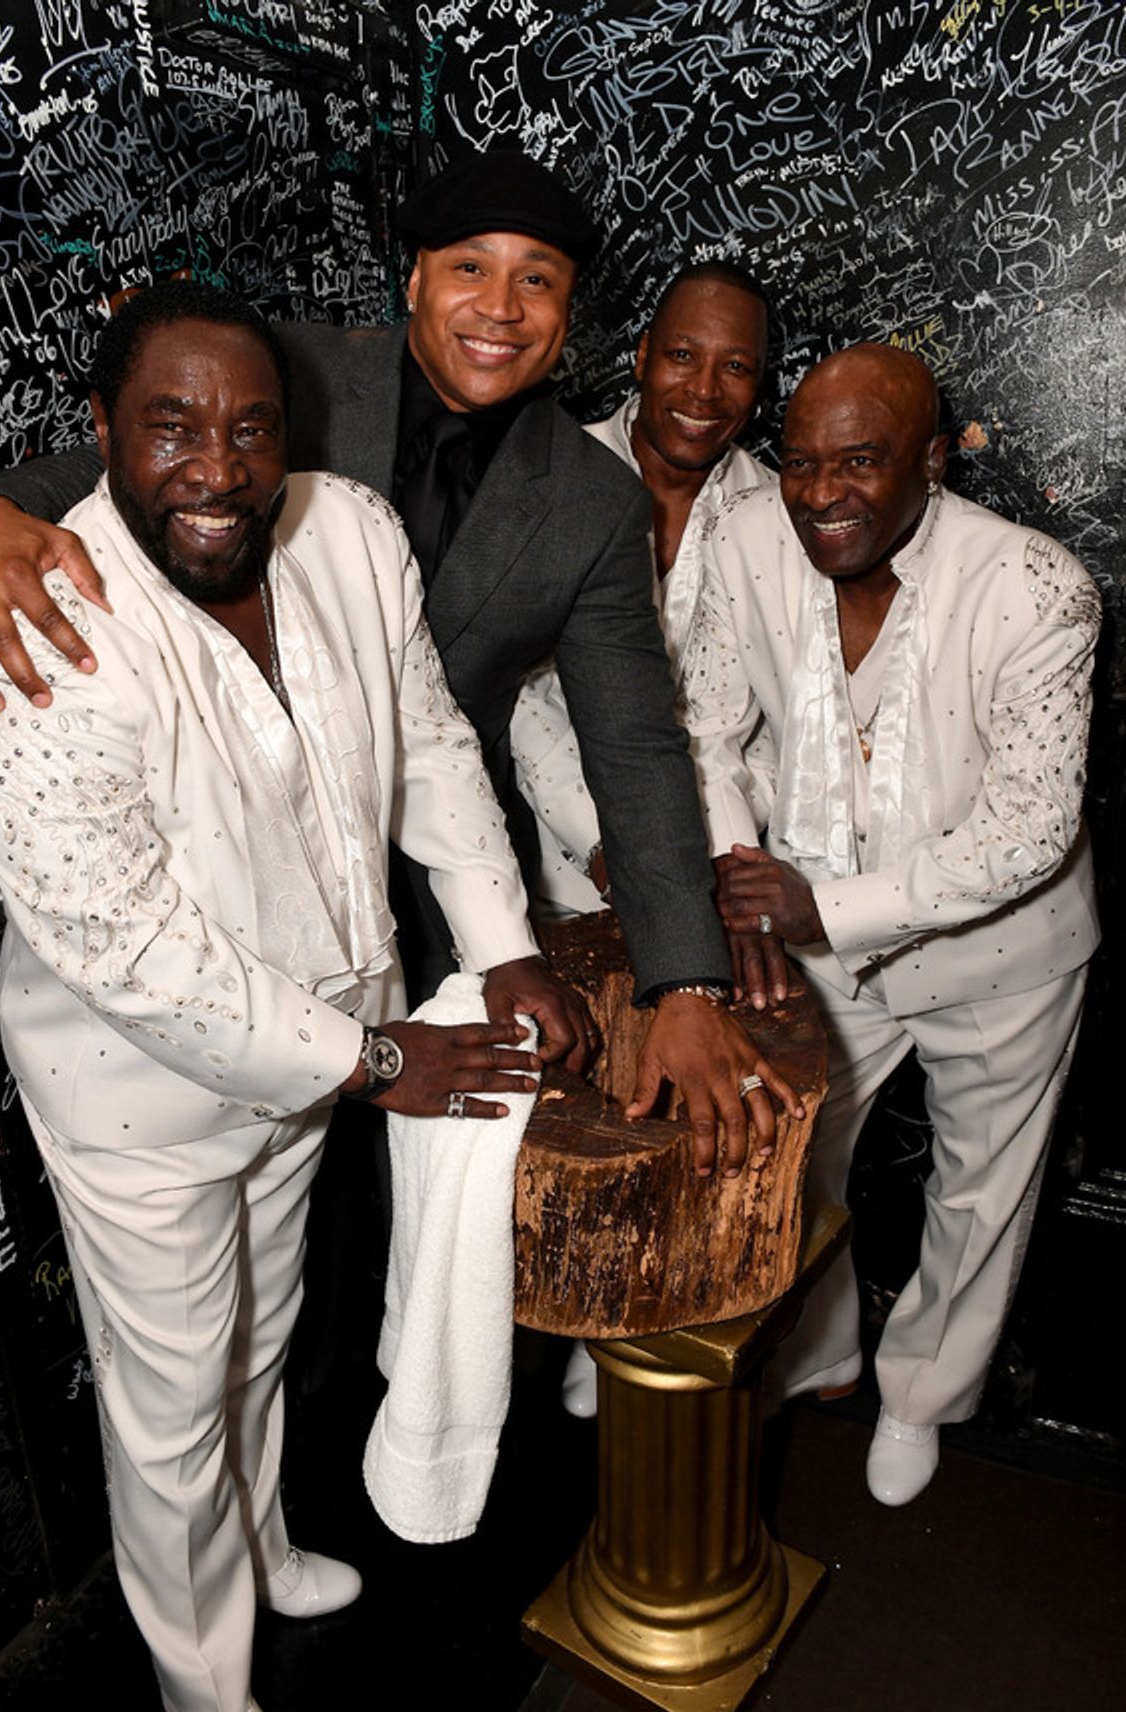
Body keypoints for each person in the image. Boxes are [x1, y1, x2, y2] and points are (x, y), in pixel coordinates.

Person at [0, 280, 593, 1712]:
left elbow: (424, 741)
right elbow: (130, 952)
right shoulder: (33, 630)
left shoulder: (348, 535)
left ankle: (262, 1545)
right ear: (100, 429)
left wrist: (509, 939)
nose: (218, 466)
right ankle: (202, 1679)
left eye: (249, 426)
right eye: (170, 426)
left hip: (326, 1040)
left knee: (264, 1331)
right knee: (171, 1400)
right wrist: (375, 1062)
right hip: (139, 1098)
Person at [0, 151, 804, 1181]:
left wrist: (684, 985)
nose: (502, 306)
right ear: (416, 280)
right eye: (471, 268)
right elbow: (121, 457)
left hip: (441, 889)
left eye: (538, 280)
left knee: (398, 1202)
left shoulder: (594, 500)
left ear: (571, 316)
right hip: (229, 888)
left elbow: (636, 743)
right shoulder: (286, 377)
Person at [704, 343, 1100, 1503]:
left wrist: (822, 904)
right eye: (802, 463)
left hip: (1003, 952)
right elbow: (708, 729)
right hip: (809, 941)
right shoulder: (744, 546)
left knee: (981, 1188)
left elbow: (1031, 825)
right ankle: (820, 1356)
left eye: (861, 462)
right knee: (797, 1156)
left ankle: (921, 1393)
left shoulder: (1037, 585)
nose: (822, 493)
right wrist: (745, 872)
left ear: (932, 460)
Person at [506, 260, 784, 1415]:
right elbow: (518, 697)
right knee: (593, 1098)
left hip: (709, 847)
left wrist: (700, 881)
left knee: (693, 1093)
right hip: (564, 849)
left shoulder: (769, 508)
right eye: (683, 354)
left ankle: (653, 1317)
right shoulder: (551, 473)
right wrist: (611, 852)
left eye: (734, 367)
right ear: (639, 355)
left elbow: (720, 727)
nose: (703, 388)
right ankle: (579, 1312)